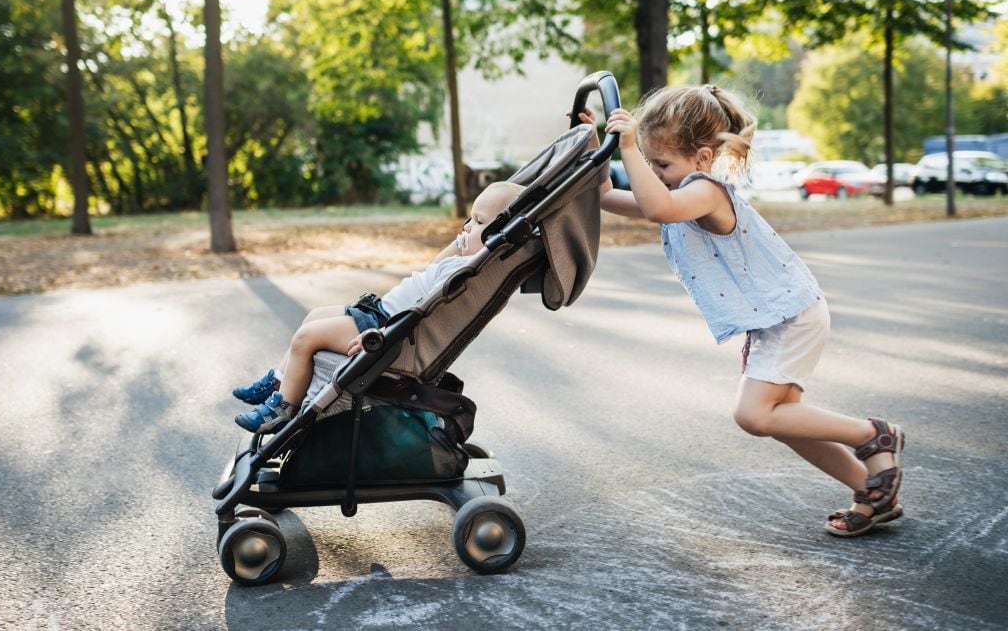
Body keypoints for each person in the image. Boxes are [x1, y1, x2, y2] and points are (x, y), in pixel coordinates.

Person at [586, 85, 904, 537]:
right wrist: (593, 142)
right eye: (651, 165)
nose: (654, 174)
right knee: (787, 424)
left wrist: (632, 148)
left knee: (754, 416)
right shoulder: (676, 190)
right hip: (774, 320)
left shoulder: (704, 191)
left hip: (792, 315)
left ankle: (873, 433)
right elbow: (605, 198)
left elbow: (657, 208)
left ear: (700, 158)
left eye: (662, 165)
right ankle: (873, 491)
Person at [231, 181, 525, 434]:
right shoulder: (461, 262)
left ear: (496, 235)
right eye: (469, 219)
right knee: (314, 316)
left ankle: (283, 410)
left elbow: (426, 312)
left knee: (305, 338)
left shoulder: (466, 274)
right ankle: (278, 382)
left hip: (384, 325)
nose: (467, 226)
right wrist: (466, 239)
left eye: (478, 222)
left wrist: (384, 333)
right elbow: (437, 262)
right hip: (376, 312)